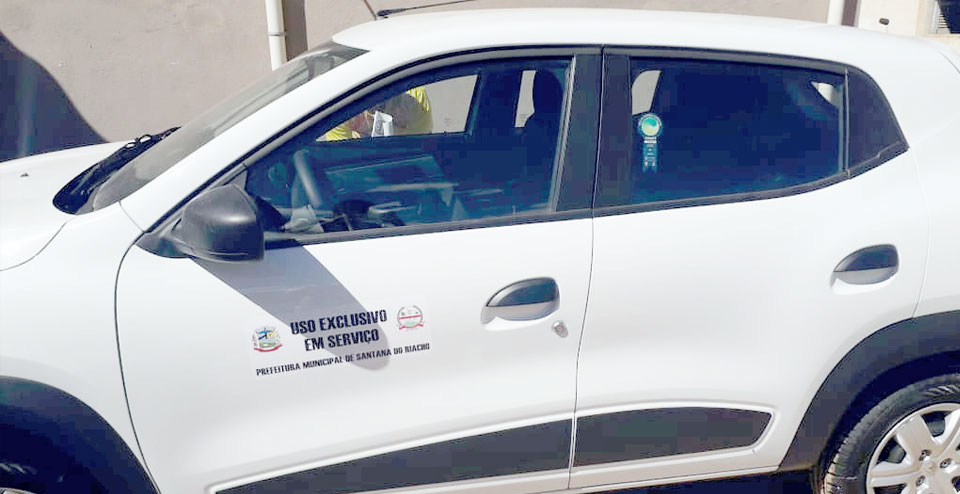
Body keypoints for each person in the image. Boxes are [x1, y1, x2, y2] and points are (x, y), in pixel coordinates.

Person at [324, 86, 432, 141]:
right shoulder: (342, 108)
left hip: (402, 148)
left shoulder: (416, 102)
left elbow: (420, 148)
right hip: (361, 151)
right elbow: (340, 157)